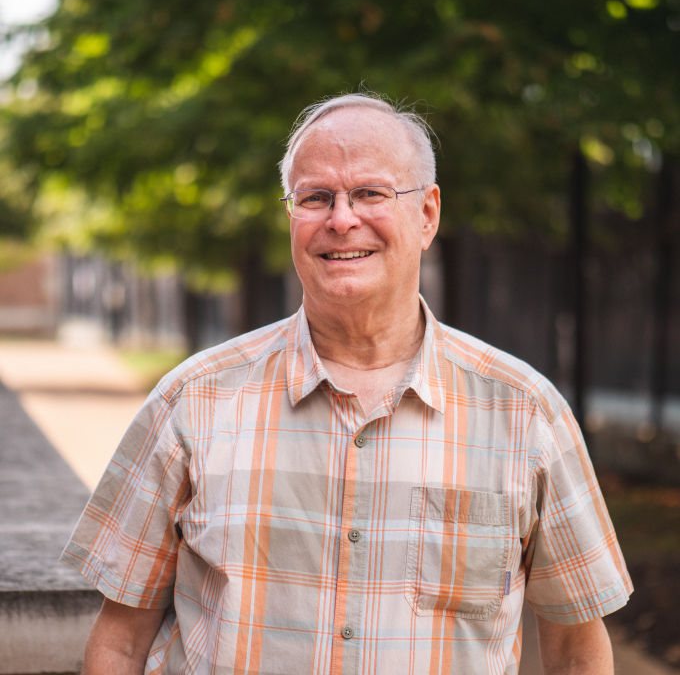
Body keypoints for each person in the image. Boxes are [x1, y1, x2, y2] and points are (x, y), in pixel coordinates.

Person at [62, 93, 632, 675]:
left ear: (428, 215)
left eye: (370, 193)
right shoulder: (191, 403)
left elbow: (577, 652)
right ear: (291, 216)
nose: (341, 219)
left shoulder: (526, 414)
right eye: (315, 197)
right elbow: (121, 643)